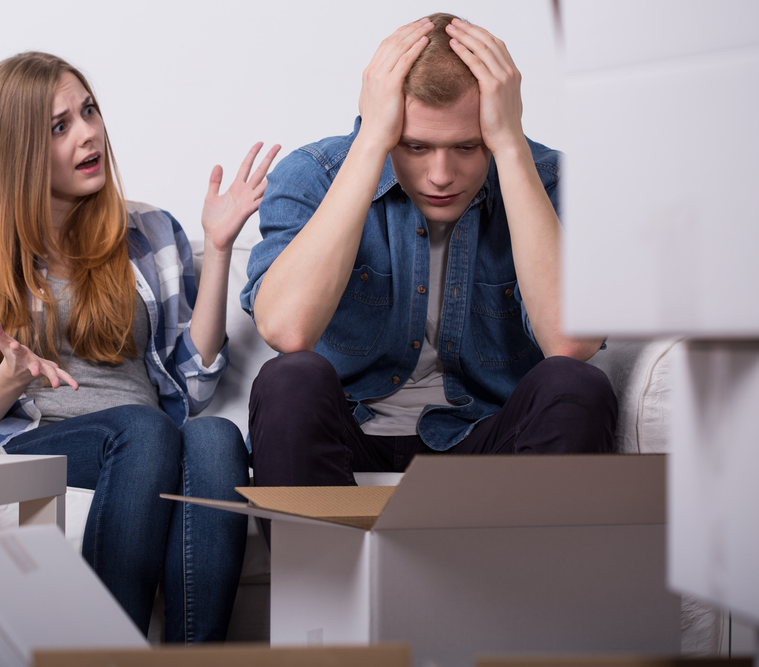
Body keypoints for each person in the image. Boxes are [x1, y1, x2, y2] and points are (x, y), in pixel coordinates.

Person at [0, 51, 279, 641]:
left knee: (218, 436)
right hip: (48, 443)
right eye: (60, 126)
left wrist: (218, 248)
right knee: (144, 431)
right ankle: (102, 653)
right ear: (20, 150)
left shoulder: (148, 234)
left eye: (88, 110)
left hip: (151, 440)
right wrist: (11, 377)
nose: (89, 133)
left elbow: (194, 383)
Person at [242, 13, 617, 541]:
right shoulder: (315, 174)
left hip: (485, 436)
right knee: (289, 379)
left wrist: (509, 147)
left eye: (467, 147)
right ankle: (323, 607)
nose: (441, 176)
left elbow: (570, 341)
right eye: (416, 147)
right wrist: (372, 142)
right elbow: (286, 330)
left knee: (577, 385)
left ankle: (533, 611)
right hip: (352, 433)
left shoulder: (554, 181)